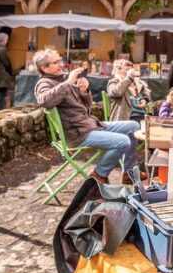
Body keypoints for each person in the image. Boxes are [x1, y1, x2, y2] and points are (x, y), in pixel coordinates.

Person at [33, 49, 140, 185]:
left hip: (89, 125)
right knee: (123, 141)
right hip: (78, 134)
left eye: (60, 60)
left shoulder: (62, 80)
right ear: (44, 67)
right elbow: (45, 101)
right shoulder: (44, 83)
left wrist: (83, 92)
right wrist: (68, 83)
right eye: (56, 62)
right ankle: (99, 175)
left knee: (133, 126)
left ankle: (128, 172)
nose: (61, 64)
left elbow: (88, 105)